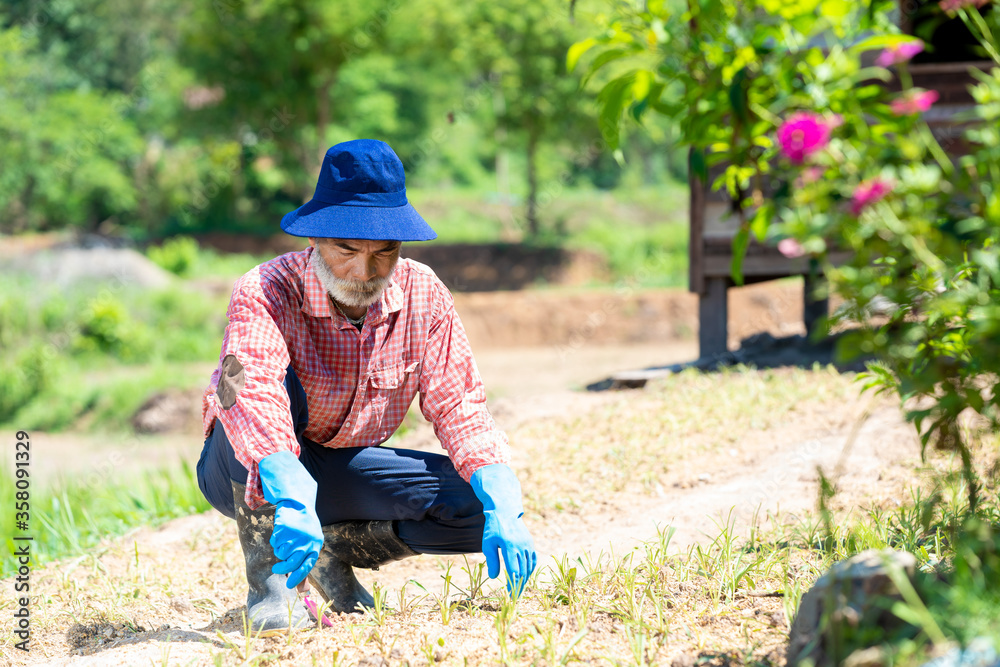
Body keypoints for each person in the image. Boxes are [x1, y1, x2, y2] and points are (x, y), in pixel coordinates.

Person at [196, 139, 537, 635]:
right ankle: (271, 586)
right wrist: (291, 492)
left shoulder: (425, 295)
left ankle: (329, 551)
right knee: (250, 400)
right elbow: (252, 394)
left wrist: (504, 500)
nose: (365, 272)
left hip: (339, 470)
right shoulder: (265, 290)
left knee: (474, 510)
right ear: (314, 240)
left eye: (385, 252)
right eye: (347, 250)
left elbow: (459, 406)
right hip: (248, 466)